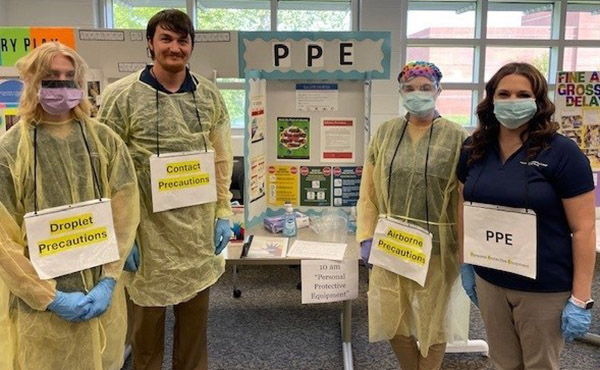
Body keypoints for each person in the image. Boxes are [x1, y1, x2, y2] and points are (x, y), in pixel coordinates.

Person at [98, 9, 233, 370]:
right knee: (144, 339)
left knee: (194, 336)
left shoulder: (210, 97)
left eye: (183, 40)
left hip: (196, 235)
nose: (175, 47)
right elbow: (106, 169)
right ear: (150, 43)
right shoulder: (120, 97)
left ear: (192, 46)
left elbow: (221, 158)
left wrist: (223, 211)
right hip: (146, 235)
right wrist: (120, 234)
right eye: (166, 39)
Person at [0, 42, 139, 370]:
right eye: (51, 77)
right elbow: (3, 242)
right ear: (33, 82)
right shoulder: (10, 151)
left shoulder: (103, 141)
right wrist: (48, 296)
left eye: (69, 77)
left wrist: (109, 279)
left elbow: (125, 213)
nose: (62, 84)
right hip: (40, 311)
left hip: (100, 294)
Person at [458, 62, 595, 370]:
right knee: (504, 362)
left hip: (543, 286)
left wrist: (581, 298)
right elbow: (462, 203)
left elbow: (584, 229)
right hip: (490, 279)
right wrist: (464, 259)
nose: (512, 101)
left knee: (539, 365)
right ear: (491, 100)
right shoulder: (474, 148)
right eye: (503, 94)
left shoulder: (562, 153)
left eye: (522, 94)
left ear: (538, 101)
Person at [356, 61, 468, 370]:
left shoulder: (457, 137)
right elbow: (369, 190)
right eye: (409, 88)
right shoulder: (386, 133)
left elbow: (463, 197)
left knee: (435, 322)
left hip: (439, 246)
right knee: (393, 319)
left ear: (438, 91)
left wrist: (465, 249)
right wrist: (366, 235)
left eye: (425, 88)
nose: (417, 94)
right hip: (392, 242)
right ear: (400, 92)